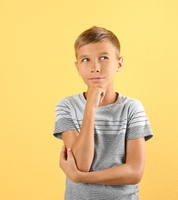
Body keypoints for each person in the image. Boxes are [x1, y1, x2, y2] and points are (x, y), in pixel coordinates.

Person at [53, 26, 153, 200]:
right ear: (77, 67)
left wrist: (81, 177)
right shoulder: (66, 106)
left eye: (104, 58)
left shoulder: (132, 108)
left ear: (119, 64)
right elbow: (81, 164)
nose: (95, 67)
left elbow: (134, 172)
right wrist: (90, 107)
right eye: (86, 60)